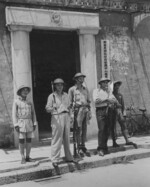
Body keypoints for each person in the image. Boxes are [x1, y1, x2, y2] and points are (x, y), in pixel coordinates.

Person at [45, 78, 75, 167]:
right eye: (58, 85)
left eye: (61, 85)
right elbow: (47, 109)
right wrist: (52, 108)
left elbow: (69, 107)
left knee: (66, 137)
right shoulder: (52, 96)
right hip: (57, 116)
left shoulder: (66, 95)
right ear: (54, 86)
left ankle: (68, 157)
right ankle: (55, 159)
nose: (60, 86)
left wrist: (71, 116)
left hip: (66, 116)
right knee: (57, 138)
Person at [93, 77, 119, 156]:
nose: (105, 84)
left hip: (109, 110)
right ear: (100, 84)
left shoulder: (109, 91)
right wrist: (107, 100)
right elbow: (96, 101)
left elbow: (114, 100)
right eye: (103, 82)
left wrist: (114, 102)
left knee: (107, 130)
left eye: (106, 82)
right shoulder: (96, 91)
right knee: (102, 129)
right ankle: (100, 148)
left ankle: (105, 147)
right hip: (100, 110)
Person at [12, 85, 37, 164]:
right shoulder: (16, 101)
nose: (25, 92)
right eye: (23, 90)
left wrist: (34, 123)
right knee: (21, 140)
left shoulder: (30, 101)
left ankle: (28, 156)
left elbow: (33, 113)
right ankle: (22, 157)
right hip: (21, 123)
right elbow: (14, 114)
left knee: (29, 139)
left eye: (26, 90)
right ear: (20, 92)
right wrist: (16, 124)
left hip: (29, 122)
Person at [68, 73, 91, 157]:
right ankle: (78, 148)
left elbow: (88, 101)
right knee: (78, 130)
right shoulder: (72, 90)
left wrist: (90, 111)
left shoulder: (85, 89)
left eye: (82, 78)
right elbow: (69, 103)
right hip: (77, 111)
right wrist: (71, 114)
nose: (82, 79)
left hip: (85, 110)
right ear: (76, 79)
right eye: (80, 78)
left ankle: (83, 146)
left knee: (84, 129)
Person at [111, 80, 137, 148]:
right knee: (113, 127)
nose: (117, 87)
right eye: (115, 85)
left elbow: (122, 105)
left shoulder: (120, 95)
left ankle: (127, 140)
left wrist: (123, 113)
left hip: (119, 112)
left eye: (118, 86)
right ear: (113, 87)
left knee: (124, 125)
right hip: (113, 112)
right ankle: (114, 141)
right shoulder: (111, 95)